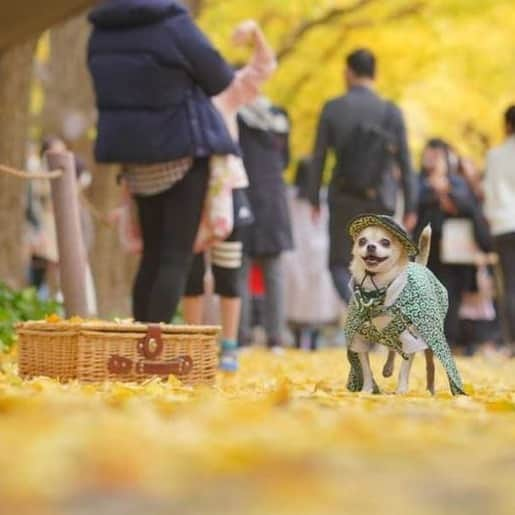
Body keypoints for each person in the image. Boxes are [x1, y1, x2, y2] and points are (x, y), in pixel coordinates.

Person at [88, 0, 238, 323]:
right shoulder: (173, 24)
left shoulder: (101, 32)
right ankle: (153, 346)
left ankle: (141, 341)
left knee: (151, 256)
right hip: (181, 151)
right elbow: (220, 77)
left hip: (136, 160)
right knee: (175, 257)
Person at [181, 20, 276, 370]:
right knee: (190, 272)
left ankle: (230, 347)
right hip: (187, 190)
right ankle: (190, 347)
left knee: (228, 271)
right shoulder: (178, 96)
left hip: (229, 190)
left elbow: (264, 67)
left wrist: (255, 33)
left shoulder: (228, 92)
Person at [308, 48, 416, 304]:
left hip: (343, 197)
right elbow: (406, 162)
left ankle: (359, 309)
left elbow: (319, 157)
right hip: (381, 198)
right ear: (374, 74)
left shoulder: (333, 108)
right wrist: (411, 204)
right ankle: (375, 311)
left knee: (338, 262)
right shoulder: (391, 112)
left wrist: (313, 197)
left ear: (348, 73)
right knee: (380, 262)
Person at [414, 139, 488, 349]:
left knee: (451, 294)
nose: (433, 160)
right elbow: (415, 203)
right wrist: (434, 190)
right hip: (428, 246)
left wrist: (445, 190)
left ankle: (448, 338)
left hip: (454, 249)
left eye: (437, 155)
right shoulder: (419, 182)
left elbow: (468, 206)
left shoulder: (456, 182)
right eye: (430, 155)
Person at [238, 97, 293, 350]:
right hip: (273, 196)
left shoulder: (237, 117)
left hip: (243, 194)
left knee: (241, 268)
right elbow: (286, 160)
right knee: (274, 273)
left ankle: (241, 336)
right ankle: (275, 338)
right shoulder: (279, 118)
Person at [283, 157, 342, 351]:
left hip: (296, 251)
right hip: (319, 249)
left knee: (298, 295)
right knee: (315, 297)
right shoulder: (323, 196)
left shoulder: (289, 196)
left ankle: (301, 336)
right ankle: (313, 337)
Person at [484, 105, 515, 353]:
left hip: (504, 225)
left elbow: (490, 193)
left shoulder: (495, 155)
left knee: (509, 285)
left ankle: (512, 341)